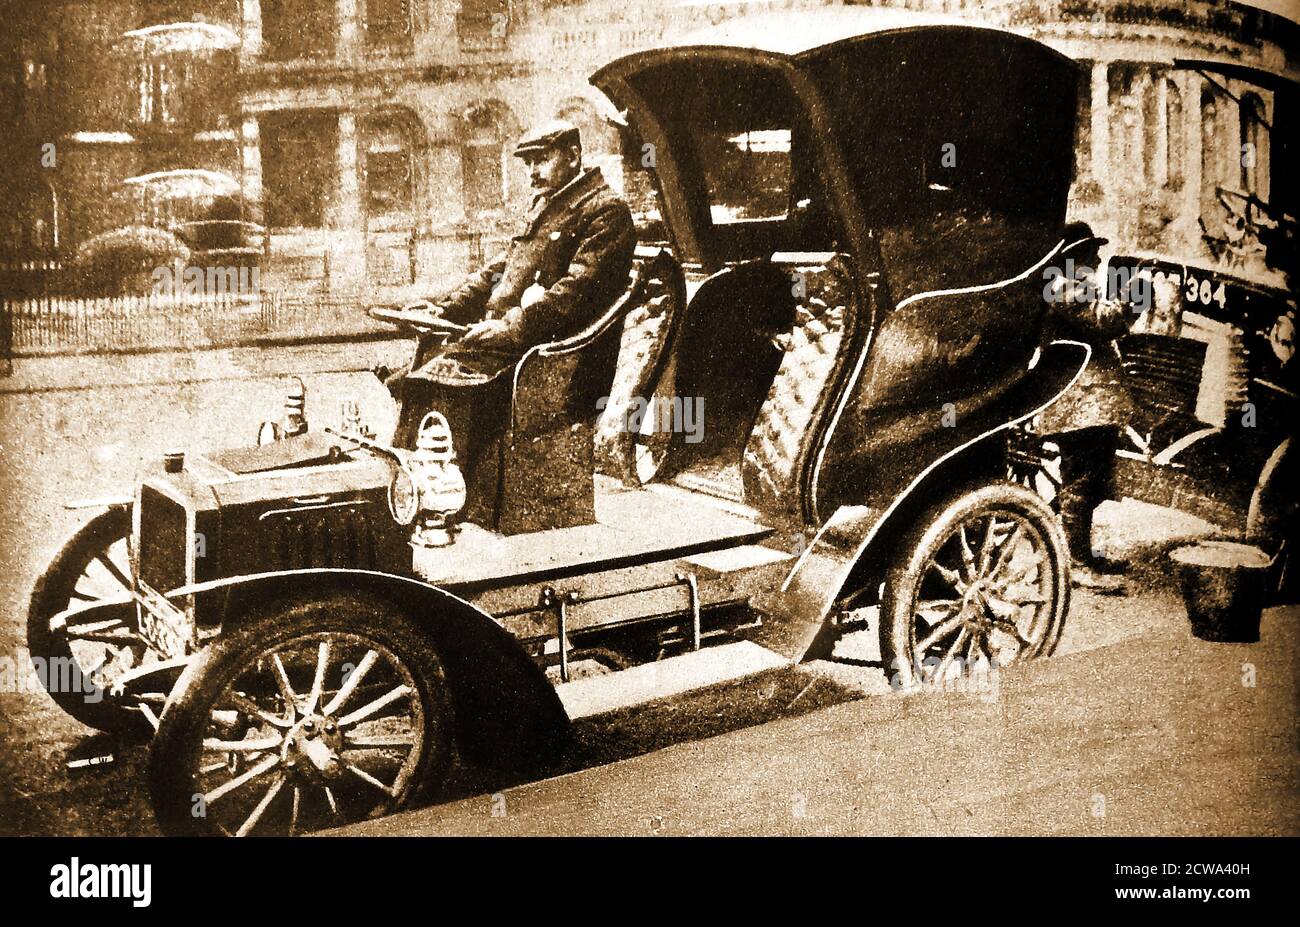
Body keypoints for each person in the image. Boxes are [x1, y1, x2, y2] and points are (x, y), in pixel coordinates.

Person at [382, 119, 637, 514]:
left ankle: (439, 500)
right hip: (509, 340)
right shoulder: (548, 203)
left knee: (440, 374)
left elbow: (571, 296)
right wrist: (447, 307)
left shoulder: (606, 211)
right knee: (430, 360)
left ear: (572, 156)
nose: (533, 171)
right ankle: (406, 490)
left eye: (542, 159)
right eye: (529, 162)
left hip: (548, 353)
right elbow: (501, 269)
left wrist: (508, 327)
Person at [1040, 222, 1135, 593]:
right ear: (1074, 256)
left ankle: (1077, 553)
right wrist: (1135, 295)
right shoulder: (1060, 285)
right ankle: (1075, 563)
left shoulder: (1071, 284)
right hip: (1078, 403)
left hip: (1091, 402)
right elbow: (1103, 320)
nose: (1097, 258)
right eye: (1091, 252)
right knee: (1081, 480)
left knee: (1090, 480)